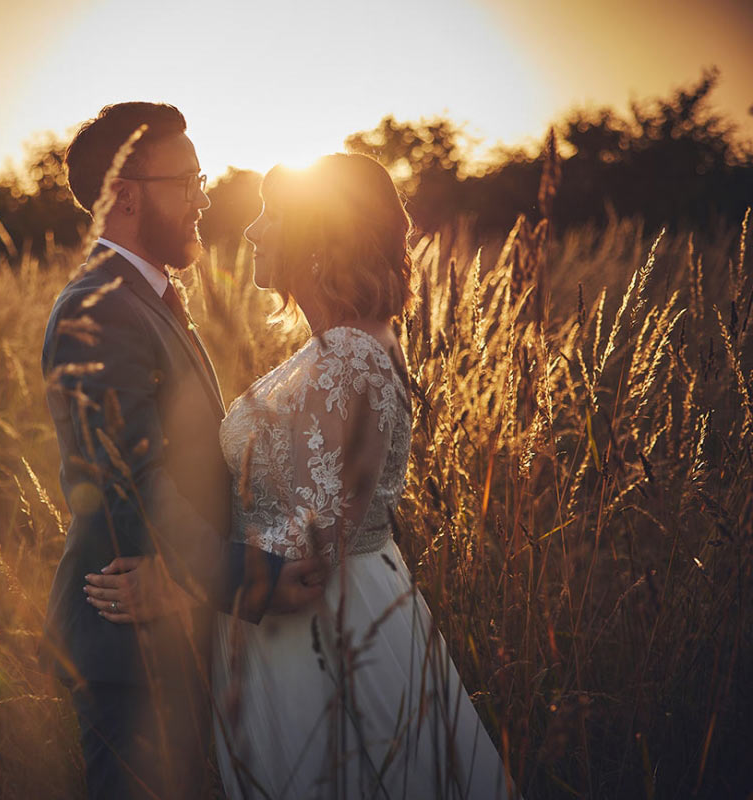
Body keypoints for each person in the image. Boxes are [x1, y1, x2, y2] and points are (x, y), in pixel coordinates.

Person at [89, 154, 522, 798]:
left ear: (321, 235)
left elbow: (317, 538)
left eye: (273, 215)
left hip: (325, 628)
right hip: (288, 616)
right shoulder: (337, 346)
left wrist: (179, 588)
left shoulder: (352, 357)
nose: (254, 231)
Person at [41, 102, 326, 800]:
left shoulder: (146, 297)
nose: (204, 197)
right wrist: (247, 577)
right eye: (189, 179)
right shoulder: (100, 307)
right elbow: (132, 481)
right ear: (128, 196)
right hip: (129, 642)